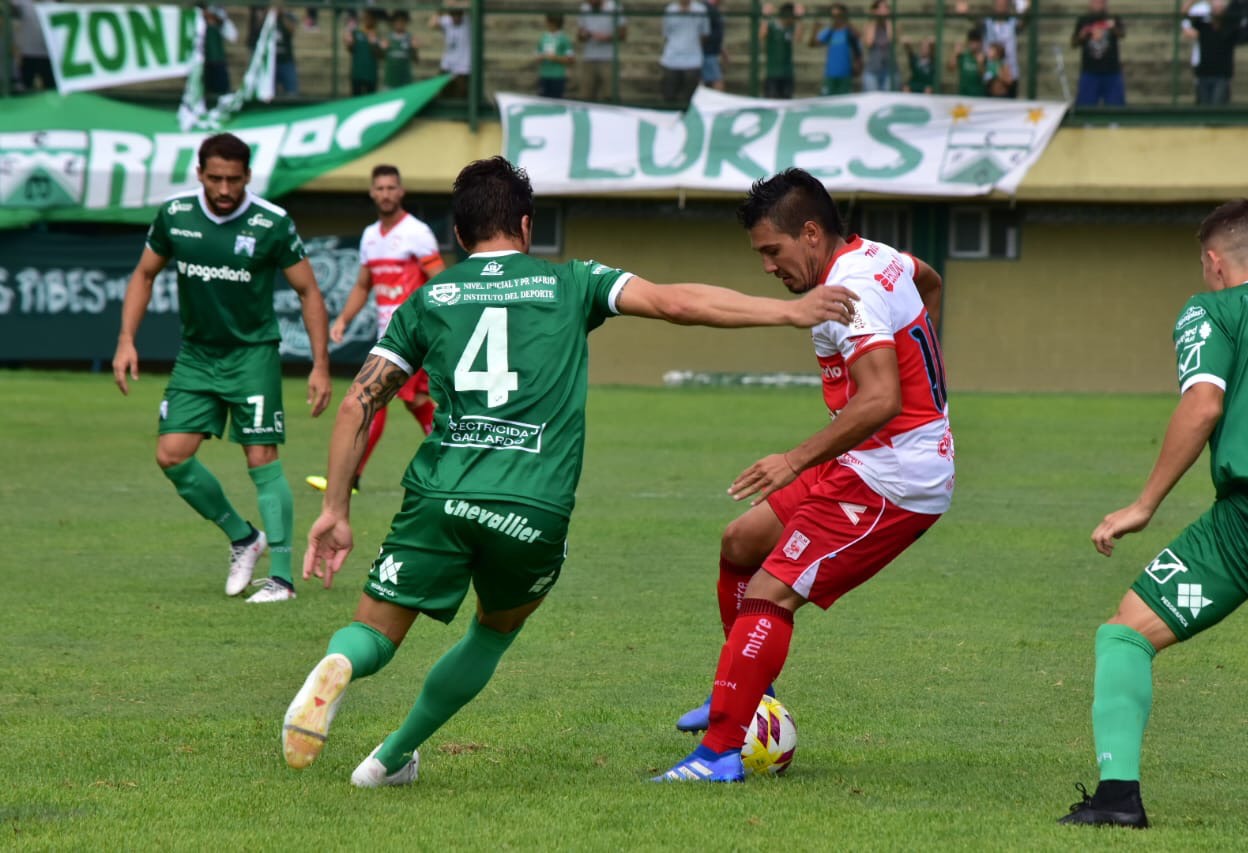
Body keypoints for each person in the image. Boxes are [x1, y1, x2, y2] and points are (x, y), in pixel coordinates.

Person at [279, 156, 859, 787]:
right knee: (492, 632)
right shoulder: (573, 281)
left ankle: (342, 663)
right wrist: (789, 312)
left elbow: (358, 403)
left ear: (460, 234)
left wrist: (334, 510)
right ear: (526, 226)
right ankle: (389, 757)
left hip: (440, 493)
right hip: (531, 505)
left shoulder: (430, 298)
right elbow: (675, 302)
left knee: (374, 631)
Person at [658, 168, 954, 782]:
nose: (768, 266)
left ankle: (718, 754)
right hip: (862, 459)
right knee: (740, 542)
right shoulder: (878, 258)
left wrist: (793, 460)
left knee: (770, 592)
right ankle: (742, 691)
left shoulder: (853, 288)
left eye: (774, 250)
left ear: (812, 233)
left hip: (892, 479)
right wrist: (918, 341)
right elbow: (928, 278)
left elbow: (881, 400)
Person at [1057, 200, 1248, 829]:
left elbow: (1203, 404)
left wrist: (1143, 504)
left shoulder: (1213, 309)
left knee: (1125, 633)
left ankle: (1117, 798)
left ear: (1214, 262)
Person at [111, 133, 332, 605]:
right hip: (197, 355)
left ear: (248, 175)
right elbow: (144, 274)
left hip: (252, 355)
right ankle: (243, 537)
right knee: (171, 455)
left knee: (261, 458)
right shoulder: (176, 215)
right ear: (200, 174)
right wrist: (126, 340)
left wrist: (320, 365)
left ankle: (282, 579)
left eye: (234, 179)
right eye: (215, 178)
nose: (225, 189)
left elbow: (308, 291)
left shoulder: (271, 223)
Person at [306, 166, 445, 496]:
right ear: (372, 192)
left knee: (374, 397)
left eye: (391, 187)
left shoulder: (417, 232)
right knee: (415, 401)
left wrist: (436, 322)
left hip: (414, 334)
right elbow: (362, 285)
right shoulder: (370, 236)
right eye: (380, 188)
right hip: (389, 336)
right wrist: (343, 319)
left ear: (401, 191)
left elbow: (440, 280)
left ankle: (349, 477)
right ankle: (453, 458)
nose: (385, 194)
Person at [957, 0, 1026, 98]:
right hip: (991, 76)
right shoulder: (987, 23)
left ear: (1008, 6)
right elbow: (976, 21)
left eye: (1003, 4)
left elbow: (1024, 21)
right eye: (998, 4)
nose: (1001, 6)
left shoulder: (1013, 22)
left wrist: (1028, 7)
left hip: (1010, 74)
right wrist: (967, 13)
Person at [1184, 0, 1243, 105]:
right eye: (1215, 8)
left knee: (1217, 108)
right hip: (1203, 74)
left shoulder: (1230, 29)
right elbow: (1185, 18)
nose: (1217, 11)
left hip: (1222, 76)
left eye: (1220, 8)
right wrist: (1191, 2)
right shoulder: (1203, 27)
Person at [1071, 0, 1125, 106]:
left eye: (1100, 2)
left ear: (1105, 3)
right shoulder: (1083, 20)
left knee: (1115, 108)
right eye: (1094, 2)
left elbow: (1122, 34)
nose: (1097, 4)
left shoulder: (1113, 18)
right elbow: (1074, 43)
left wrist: (1112, 27)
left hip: (1111, 71)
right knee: (1086, 108)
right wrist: (1082, 35)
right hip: (1089, 71)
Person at [661, 0, 710, 106]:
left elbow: (704, 33)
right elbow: (666, 33)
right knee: (669, 95)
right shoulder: (670, 10)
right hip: (672, 58)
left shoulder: (700, 10)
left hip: (693, 59)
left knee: (691, 96)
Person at [577, 0, 627, 102]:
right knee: (585, 96)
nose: (590, 3)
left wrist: (606, 37)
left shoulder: (615, 7)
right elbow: (579, 34)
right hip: (589, 59)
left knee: (610, 96)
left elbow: (623, 34)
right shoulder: (584, 8)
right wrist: (584, 35)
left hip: (608, 59)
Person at [810, 3, 862, 96]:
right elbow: (813, 44)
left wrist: (847, 24)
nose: (835, 18)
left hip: (845, 75)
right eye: (833, 16)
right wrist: (815, 29)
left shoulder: (849, 31)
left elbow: (858, 37)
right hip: (830, 75)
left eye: (838, 15)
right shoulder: (829, 31)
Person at [760, 3, 802, 99]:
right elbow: (762, 35)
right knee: (771, 99)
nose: (793, 19)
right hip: (772, 73)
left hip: (787, 73)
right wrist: (765, 17)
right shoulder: (772, 26)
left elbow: (798, 39)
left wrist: (800, 19)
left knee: (787, 100)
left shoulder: (791, 28)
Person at [199, 5, 237, 107]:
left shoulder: (220, 19)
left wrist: (220, 20)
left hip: (218, 63)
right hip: (203, 63)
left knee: (223, 92)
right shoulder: (198, 21)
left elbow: (233, 36)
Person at [431, 5, 471, 99]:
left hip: (463, 67)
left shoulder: (468, 21)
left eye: (458, 15)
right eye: (453, 15)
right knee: (442, 92)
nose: (455, 17)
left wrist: (457, 3)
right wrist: (441, 9)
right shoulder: (447, 20)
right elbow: (432, 24)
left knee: (461, 95)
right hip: (447, 65)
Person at [13, 0, 54, 92]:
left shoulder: (52, 5)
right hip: (27, 53)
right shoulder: (20, 3)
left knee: (50, 86)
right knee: (24, 87)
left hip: (47, 54)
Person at [861, 0, 898, 92]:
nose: (884, 10)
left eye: (886, 7)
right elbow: (869, 42)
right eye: (881, 8)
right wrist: (875, 20)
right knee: (871, 98)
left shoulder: (893, 25)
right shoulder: (869, 26)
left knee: (889, 98)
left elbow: (892, 40)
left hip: (890, 70)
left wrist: (887, 21)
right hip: (872, 69)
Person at [536, 13, 575, 98]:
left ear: (553, 23)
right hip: (544, 75)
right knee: (542, 100)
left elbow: (571, 59)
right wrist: (540, 57)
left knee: (556, 101)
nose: (546, 23)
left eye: (548, 22)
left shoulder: (564, 39)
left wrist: (556, 58)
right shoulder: (543, 38)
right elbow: (537, 54)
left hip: (558, 76)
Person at [345, 9, 382, 96]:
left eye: (370, 18)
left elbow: (380, 55)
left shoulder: (378, 35)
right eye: (366, 17)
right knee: (356, 99)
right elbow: (350, 49)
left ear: (374, 20)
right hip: (357, 74)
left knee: (370, 100)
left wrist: (374, 43)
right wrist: (349, 43)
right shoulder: (356, 33)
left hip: (371, 75)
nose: (368, 20)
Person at [382, 11, 420, 89]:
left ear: (406, 22)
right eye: (397, 21)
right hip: (390, 79)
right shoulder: (388, 38)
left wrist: (415, 49)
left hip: (405, 80)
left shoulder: (410, 38)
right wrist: (382, 49)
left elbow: (416, 60)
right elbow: (381, 56)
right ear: (393, 22)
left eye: (402, 21)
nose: (399, 23)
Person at [950, 28, 987, 96]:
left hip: (978, 94)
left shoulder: (984, 57)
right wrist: (955, 54)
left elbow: (984, 77)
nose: (974, 45)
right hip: (964, 93)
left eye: (976, 42)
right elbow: (951, 68)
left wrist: (980, 64)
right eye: (972, 42)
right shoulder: (963, 55)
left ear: (980, 43)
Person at [702, 0, 728, 92]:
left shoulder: (713, 9)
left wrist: (722, 50)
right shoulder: (706, 8)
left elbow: (715, 33)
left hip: (711, 52)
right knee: (717, 81)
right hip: (707, 52)